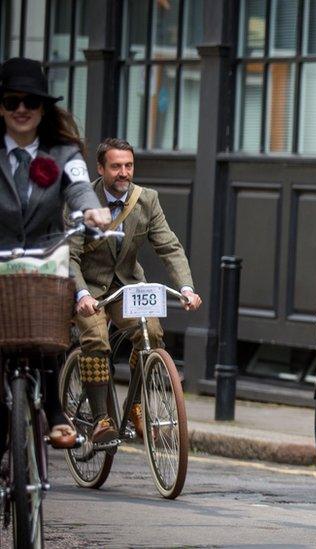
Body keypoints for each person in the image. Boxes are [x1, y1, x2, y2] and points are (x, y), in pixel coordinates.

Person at [0, 57, 111, 449]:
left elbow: (79, 187)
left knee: (46, 326)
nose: (21, 110)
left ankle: (54, 408)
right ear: (1, 106)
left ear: (43, 107)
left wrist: (91, 210)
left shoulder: (62, 152)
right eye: (12, 101)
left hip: (44, 254)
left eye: (30, 101)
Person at [70, 138, 202, 443]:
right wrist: (83, 295)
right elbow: (70, 256)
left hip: (127, 284)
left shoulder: (146, 200)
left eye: (128, 165)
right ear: (101, 168)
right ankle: (102, 417)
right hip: (89, 288)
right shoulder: (81, 200)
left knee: (151, 334)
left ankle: (136, 405)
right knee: (96, 338)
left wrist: (186, 287)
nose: (123, 172)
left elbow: (169, 246)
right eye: (116, 166)